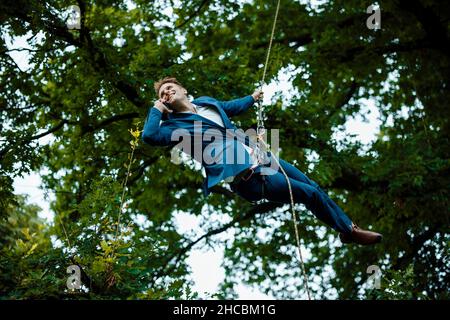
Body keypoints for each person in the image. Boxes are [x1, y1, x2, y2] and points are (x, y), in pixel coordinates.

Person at [142, 77, 383, 245]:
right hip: (250, 178)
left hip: (261, 157)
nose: (167, 92)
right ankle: (346, 231)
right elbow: (150, 136)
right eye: (163, 93)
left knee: (314, 187)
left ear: (183, 90)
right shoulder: (174, 127)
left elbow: (230, 107)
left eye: (171, 87)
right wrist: (156, 109)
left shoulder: (206, 102)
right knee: (308, 194)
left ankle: (349, 229)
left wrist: (252, 97)